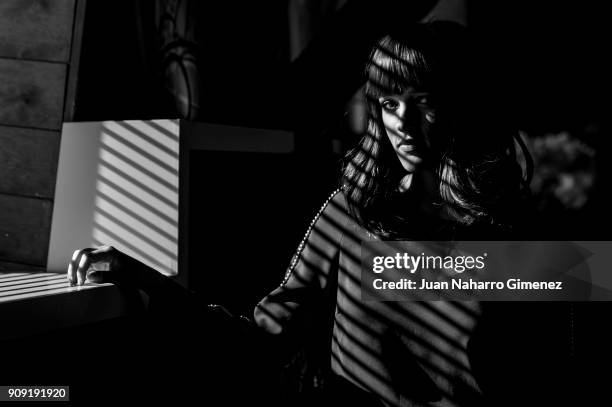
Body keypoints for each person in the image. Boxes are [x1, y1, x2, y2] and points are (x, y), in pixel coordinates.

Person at [68, 22, 537, 406]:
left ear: (464, 105)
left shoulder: (520, 230)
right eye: (389, 104)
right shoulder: (353, 211)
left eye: (424, 103)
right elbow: (265, 339)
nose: (402, 124)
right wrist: (151, 282)